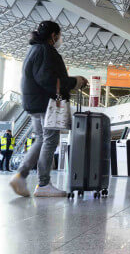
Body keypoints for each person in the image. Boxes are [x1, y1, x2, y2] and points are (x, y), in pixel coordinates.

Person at [9, 20, 88, 197]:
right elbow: (47, 79)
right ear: (53, 36)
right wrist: (75, 82)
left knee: (41, 139)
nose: (60, 39)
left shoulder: (34, 49)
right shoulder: (45, 50)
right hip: (46, 103)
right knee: (50, 140)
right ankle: (43, 184)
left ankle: (20, 176)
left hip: (35, 102)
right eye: (59, 36)